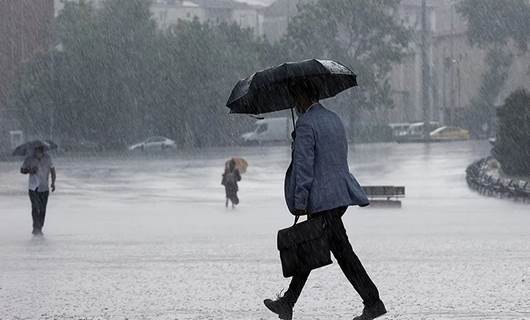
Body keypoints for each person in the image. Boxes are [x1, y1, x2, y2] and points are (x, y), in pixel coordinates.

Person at [263, 81, 386, 320]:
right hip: (338, 195)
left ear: (301, 96)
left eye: (294, 96)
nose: (294, 103)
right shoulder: (333, 119)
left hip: (322, 199)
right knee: (314, 247)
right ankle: (288, 302)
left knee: (340, 252)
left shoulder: (306, 124)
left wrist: (300, 200)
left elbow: (304, 168)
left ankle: (373, 302)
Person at [20, 145, 56, 236]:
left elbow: (53, 170)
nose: (38, 153)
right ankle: (35, 227)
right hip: (33, 187)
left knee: (43, 209)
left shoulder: (48, 158)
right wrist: (29, 170)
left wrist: (53, 182)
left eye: (39, 152)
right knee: (35, 207)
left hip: (44, 187)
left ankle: (40, 227)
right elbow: (22, 170)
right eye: (36, 151)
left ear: (42, 151)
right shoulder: (29, 159)